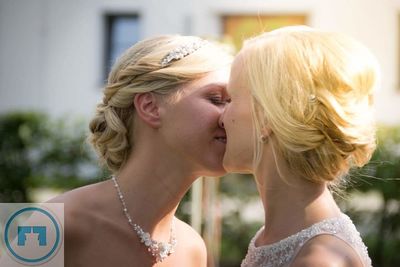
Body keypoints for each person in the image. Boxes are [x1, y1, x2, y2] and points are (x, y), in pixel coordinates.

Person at [49, 35, 232, 266]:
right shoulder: (57, 221)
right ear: (150, 107)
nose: (230, 117)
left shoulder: (193, 249)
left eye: (234, 102)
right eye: (216, 99)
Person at [220, 26, 379, 267]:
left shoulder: (319, 260)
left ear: (265, 118)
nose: (221, 117)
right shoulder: (279, 234)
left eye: (230, 99)